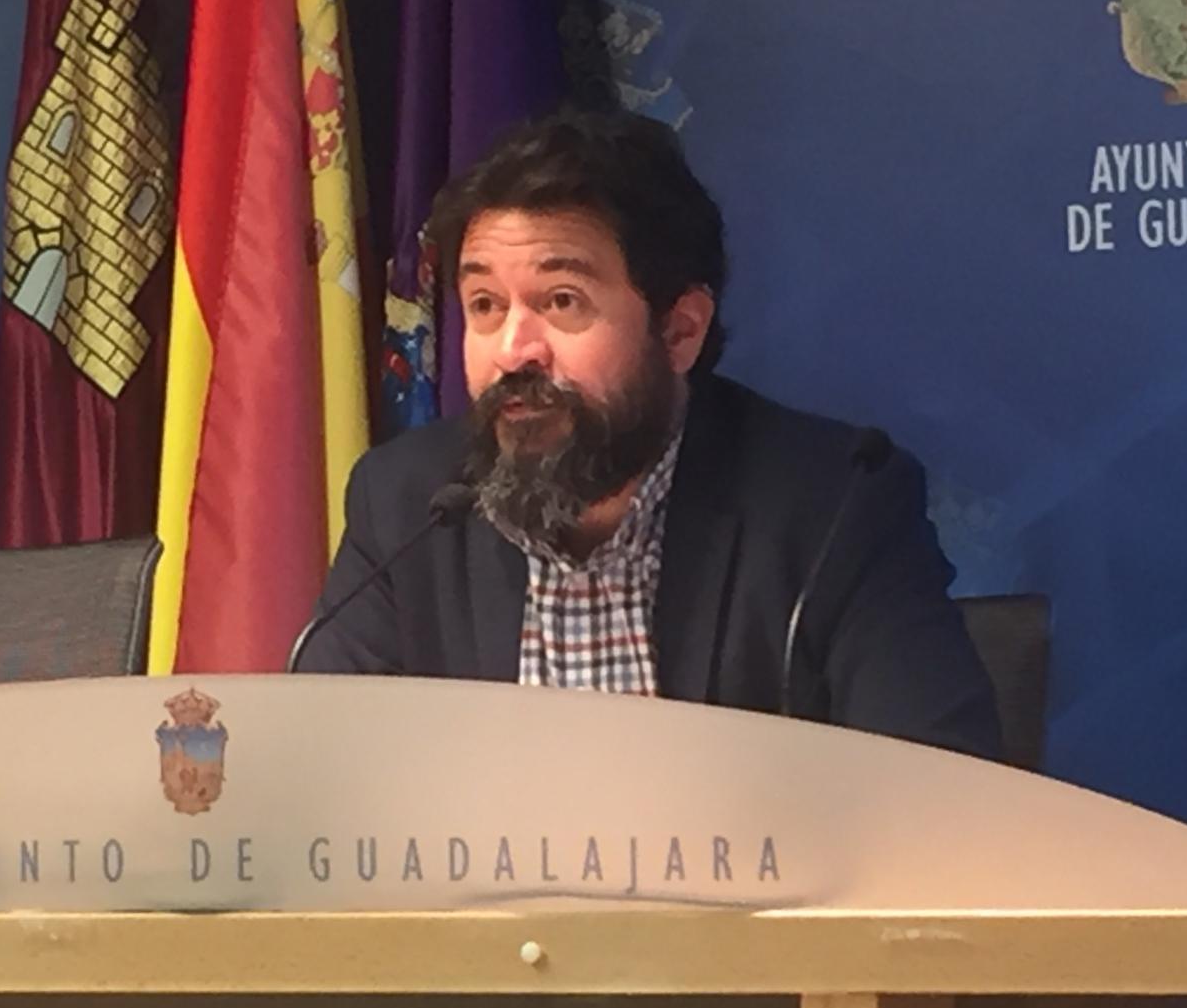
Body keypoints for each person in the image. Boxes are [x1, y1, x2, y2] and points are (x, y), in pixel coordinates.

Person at [298, 107, 1002, 759]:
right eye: (484, 304)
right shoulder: (408, 506)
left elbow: (938, 800)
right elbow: (326, 782)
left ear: (680, 330)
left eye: (562, 301)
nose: (513, 350)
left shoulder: (834, 511)